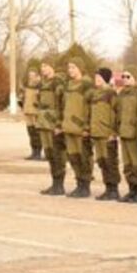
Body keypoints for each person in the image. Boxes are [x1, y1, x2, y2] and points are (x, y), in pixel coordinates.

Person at [61, 57, 94, 198]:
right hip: (69, 127)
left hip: (81, 129)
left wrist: (87, 127)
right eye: (69, 68)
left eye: (73, 67)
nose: (70, 70)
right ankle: (79, 184)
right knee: (73, 157)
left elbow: (91, 108)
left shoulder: (87, 85)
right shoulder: (68, 85)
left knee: (84, 157)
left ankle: (85, 186)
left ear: (80, 68)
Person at [89, 67, 121, 200]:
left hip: (107, 134)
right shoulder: (95, 94)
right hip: (97, 133)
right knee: (102, 161)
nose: (96, 80)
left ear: (106, 79)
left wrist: (114, 132)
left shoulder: (111, 94)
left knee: (110, 161)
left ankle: (114, 189)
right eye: (95, 77)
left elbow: (118, 113)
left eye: (99, 78)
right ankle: (108, 188)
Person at [116, 67, 137, 203]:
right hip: (124, 132)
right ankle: (131, 190)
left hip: (135, 134)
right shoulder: (122, 94)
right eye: (124, 77)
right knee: (127, 164)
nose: (125, 79)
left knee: (136, 164)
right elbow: (118, 113)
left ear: (135, 77)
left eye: (128, 76)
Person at [37, 59, 67, 195]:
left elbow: (62, 104)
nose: (43, 69)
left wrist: (59, 123)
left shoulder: (58, 83)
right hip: (43, 123)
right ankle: (54, 183)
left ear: (52, 67)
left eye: (46, 66)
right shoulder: (43, 83)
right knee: (49, 153)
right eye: (42, 66)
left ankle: (59, 185)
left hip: (53, 123)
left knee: (57, 154)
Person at [22, 66, 43, 160]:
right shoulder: (27, 85)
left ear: (37, 76)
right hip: (27, 111)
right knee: (30, 132)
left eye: (33, 75)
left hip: (36, 112)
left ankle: (38, 152)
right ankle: (33, 151)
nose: (31, 77)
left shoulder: (40, 85)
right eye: (30, 75)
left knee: (37, 133)